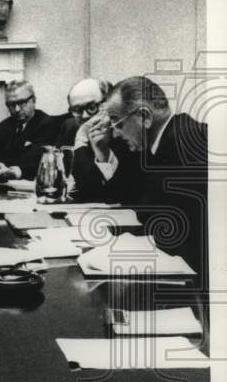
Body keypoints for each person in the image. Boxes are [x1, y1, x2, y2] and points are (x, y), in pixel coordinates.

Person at [87, 76, 208, 275]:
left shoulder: (186, 146)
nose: (115, 134)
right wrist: (101, 152)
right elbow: (119, 198)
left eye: (118, 124)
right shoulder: (160, 142)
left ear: (145, 117)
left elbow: (159, 227)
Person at [0, 80, 60, 181]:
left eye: (22, 103)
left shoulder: (48, 125)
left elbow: (37, 160)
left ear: (34, 100)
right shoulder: (2, 128)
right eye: (11, 104)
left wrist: (9, 167)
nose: (17, 109)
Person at [56, 78, 112, 147]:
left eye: (92, 107)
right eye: (77, 110)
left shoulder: (123, 131)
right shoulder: (70, 128)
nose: (85, 116)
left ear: (109, 103)